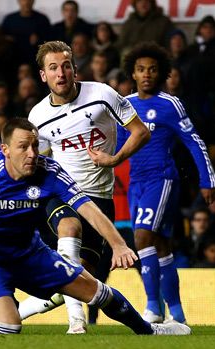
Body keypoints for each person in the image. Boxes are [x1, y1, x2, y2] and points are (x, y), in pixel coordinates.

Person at [0, 118, 190, 336]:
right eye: (23, 147)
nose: (32, 153)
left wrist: (119, 244)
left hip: (31, 256)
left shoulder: (48, 170)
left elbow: (88, 208)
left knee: (98, 292)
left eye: (35, 145)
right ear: (5, 150)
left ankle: (150, 330)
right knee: (8, 327)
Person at [21, 40, 151, 333]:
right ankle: (76, 323)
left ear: (75, 69)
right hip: (63, 192)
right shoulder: (38, 116)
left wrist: (115, 158)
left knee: (76, 283)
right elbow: (36, 160)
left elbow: (141, 132)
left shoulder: (102, 95)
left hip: (100, 200)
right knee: (69, 226)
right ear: (43, 75)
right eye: (53, 68)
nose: (61, 73)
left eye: (66, 66)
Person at [122, 43, 215, 323]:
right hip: (135, 182)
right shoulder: (125, 106)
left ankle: (153, 307)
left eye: (152, 69)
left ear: (162, 73)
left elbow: (195, 142)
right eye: (141, 69)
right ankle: (176, 312)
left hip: (161, 178)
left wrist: (208, 179)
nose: (147, 74)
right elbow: (115, 139)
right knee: (160, 245)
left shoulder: (170, 104)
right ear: (133, 73)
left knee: (141, 237)